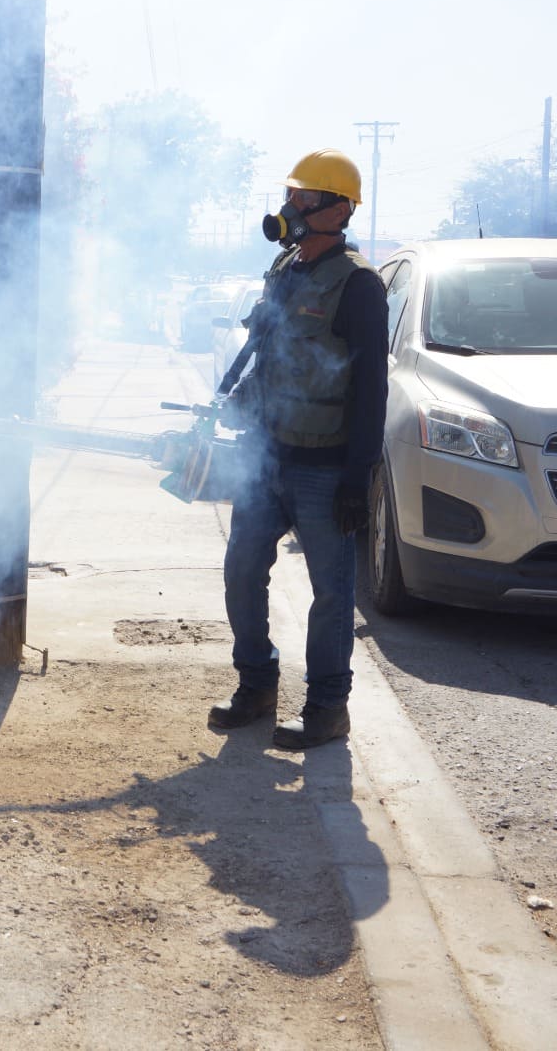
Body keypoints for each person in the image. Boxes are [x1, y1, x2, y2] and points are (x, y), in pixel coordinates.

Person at [206, 148, 389, 750]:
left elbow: (371, 390)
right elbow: (261, 352)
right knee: (240, 572)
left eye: (303, 198)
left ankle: (327, 709)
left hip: (324, 467)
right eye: (290, 196)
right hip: (266, 458)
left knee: (332, 594)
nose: (290, 208)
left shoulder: (359, 285)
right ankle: (256, 685)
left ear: (338, 210)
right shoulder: (285, 269)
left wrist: (356, 478)